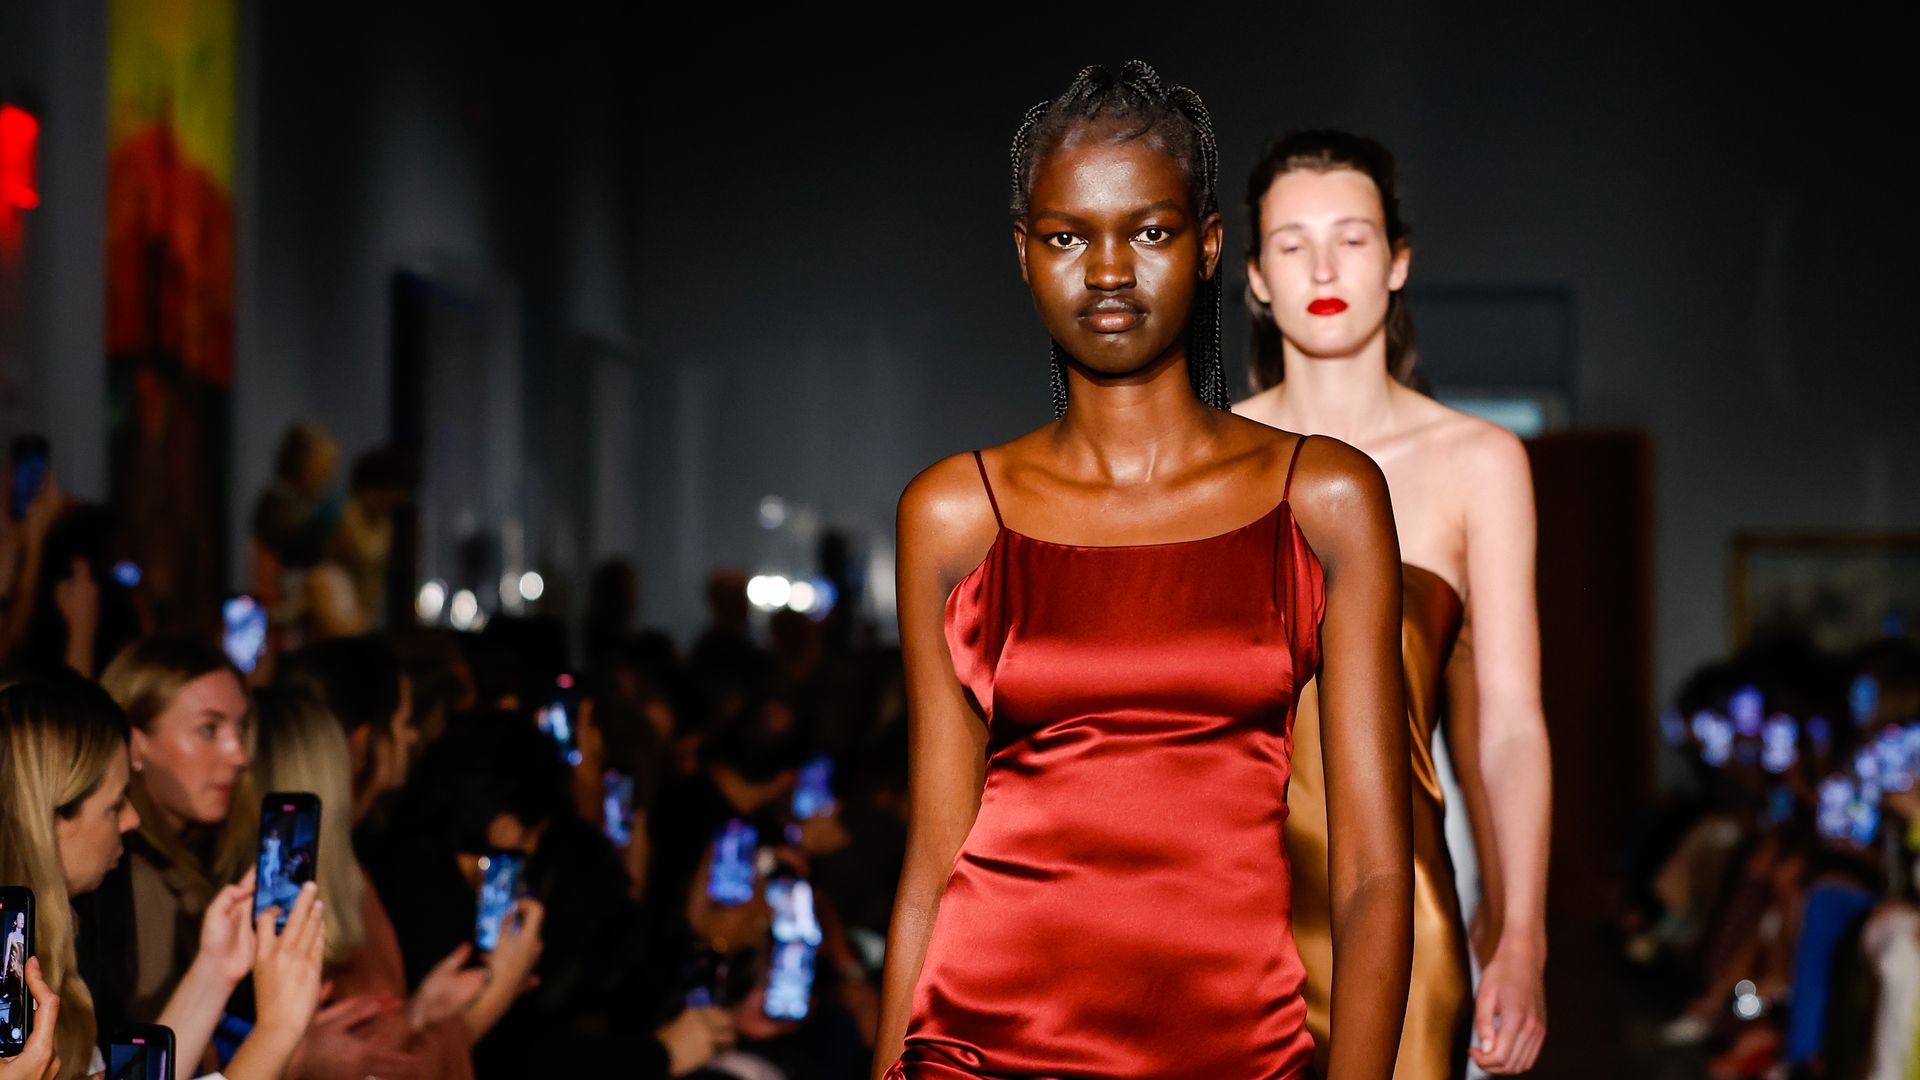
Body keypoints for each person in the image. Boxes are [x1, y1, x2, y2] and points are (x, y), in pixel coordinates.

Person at [874, 62, 1411, 1080]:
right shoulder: (952, 514)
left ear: (1209, 247)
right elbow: (930, 866)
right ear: (1025, 255)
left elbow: (1375, 874)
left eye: (1150, 232)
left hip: (1234, 1049)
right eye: (1069, 236)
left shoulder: (1324, 499)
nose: (1109, 270)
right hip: (979, 1047)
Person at [1234, 130, 1552, 1077]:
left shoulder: (1479, 463)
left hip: (1402, 911)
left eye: (1353, 238)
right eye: (1292, 244)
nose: (1323, 267)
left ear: (1398, 260)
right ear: (1254, 276)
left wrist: (1523, 934)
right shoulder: (1207, 458)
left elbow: (1507, 727)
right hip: (1222, 911)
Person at [0, 670, 325, 1080]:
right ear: (48, 821)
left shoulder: (40, 941)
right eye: (116, 805)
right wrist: (278, 1031)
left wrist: (215, 969)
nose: (133, 820)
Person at [84, 636, 256, 1027]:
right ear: (136, 742)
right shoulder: (124, 873)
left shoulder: (206, 851)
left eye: (241, 727)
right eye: (209, 730)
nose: (239, 755)